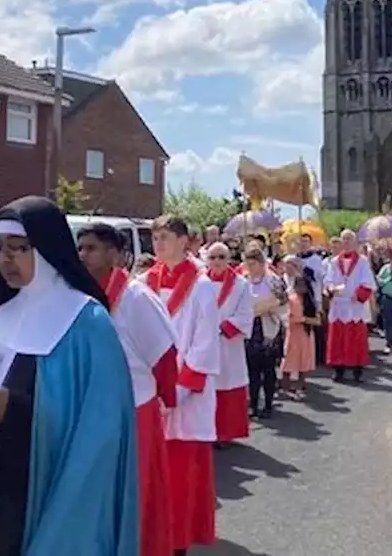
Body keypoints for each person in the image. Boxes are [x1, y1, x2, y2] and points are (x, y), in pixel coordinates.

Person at [0, 197, 138, 556]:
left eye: (18, 248)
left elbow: (101, 435)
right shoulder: (3, 316)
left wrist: (15, 411)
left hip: (50, 497)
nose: (5, 259)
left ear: (45, 247)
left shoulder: (87, 322)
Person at [77, 223, 178, 556]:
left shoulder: (136, 297)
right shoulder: (80, 294)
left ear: (115, 254)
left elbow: (163, 356)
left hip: (135, 410)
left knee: (136, 492)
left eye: (92, 248)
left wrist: (166, 398)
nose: (83, 255)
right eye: (80, 248)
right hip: (95, 411)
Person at [146, 215, 220, 556]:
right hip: (151, 390)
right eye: (154, 237)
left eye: (164, 237)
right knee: (153, 474)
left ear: (183, 241)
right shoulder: (146, 281)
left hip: (185, 396)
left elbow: (205, 345)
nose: (158, 243)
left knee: (180, 477)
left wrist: (178, 390)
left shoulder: (202, 285)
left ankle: (178, 545)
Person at [203, 241, 253, 444]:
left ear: (228, 259)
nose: (217, 261)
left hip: (227, 345)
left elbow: (245, 314)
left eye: (221, 257)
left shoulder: (241, 284)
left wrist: (222, 328)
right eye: (212, 257)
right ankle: (206, 431)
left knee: (228, 386)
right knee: (206, 388)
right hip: (204, 344)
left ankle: (226, 433)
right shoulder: (199, 282)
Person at [323, 230, 376, 383]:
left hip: (354, 305)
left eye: (349, 239)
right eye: (344, 239)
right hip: (339, 304)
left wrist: (359, 294)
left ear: (355, 242)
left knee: (356, 338)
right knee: (337, 339)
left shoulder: (363, 261)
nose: (346, 242)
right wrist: (331, 289)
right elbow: (328, 280)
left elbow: (368, 281)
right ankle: (338, 369)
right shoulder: (334, 262)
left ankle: (357, 370)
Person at [241, 248, 285, 418]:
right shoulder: (244, 281)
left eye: (253, 264)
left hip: (268, 326)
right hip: (250, 328)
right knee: (252, 369)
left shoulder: (273, 281)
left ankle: (268, 403)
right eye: (247, 264)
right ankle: (253, 403)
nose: (250, 267)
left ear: (261, 263)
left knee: (267, 369)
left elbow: (282, 302)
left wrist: (267, 308)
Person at [279, 257, 317, 398]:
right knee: (289, 360)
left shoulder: (309, 303)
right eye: (298, 285)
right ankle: (285, 387)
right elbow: (286, 316)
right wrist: (297, 320)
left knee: (303, 361)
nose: (301, 288)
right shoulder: (291, 300)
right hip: (292, 333)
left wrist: (304, 319)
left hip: (306, 334)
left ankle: (300, 386)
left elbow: (317, 320)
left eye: (303, 286)